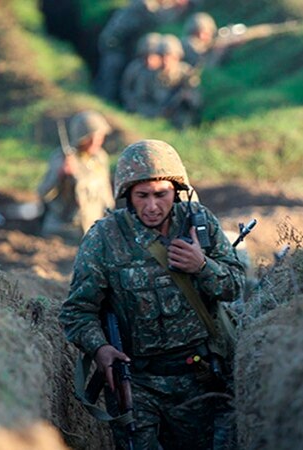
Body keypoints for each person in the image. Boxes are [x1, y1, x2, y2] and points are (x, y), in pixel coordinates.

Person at [59, 139, 245, 450]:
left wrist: (202, 266)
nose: (152, 206)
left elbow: (236, 287)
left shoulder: (199, 225)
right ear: (127, 196)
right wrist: (101, 349)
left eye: (162, 194)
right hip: (137, 383)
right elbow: (77, 312)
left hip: (200, 380)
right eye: (142, 195)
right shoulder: (104, 238)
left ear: (177, 191)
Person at [94, 0, 192, 103]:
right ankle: (104, 99)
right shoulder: (145, 4)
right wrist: (178, 9)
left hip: (121, 43)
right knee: (111, 74)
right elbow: (157, 17)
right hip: (115, 44)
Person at [37, 111, 115, 237]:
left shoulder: (100, 158)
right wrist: (60, 175)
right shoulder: (62, 158)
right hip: (64, 230)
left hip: (92, 229)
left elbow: (106, 194)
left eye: (99, 137)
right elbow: (44, 193)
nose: (95, 142)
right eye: (90, 138)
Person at [150, 34, 202, 128]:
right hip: (153, 114)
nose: (165, 60)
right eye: (162, 56)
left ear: (177, 57)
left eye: (169, 56)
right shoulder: (149, 74)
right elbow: (139, 99)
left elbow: (196, 98)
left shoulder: (186, 73)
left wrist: (188, 97)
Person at [120, 32, 163, 114]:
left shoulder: (163, 72)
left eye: (153, 55)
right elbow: (125, 88)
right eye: (146, 55)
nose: (149, 60)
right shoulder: (134, 68)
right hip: (136, 106)